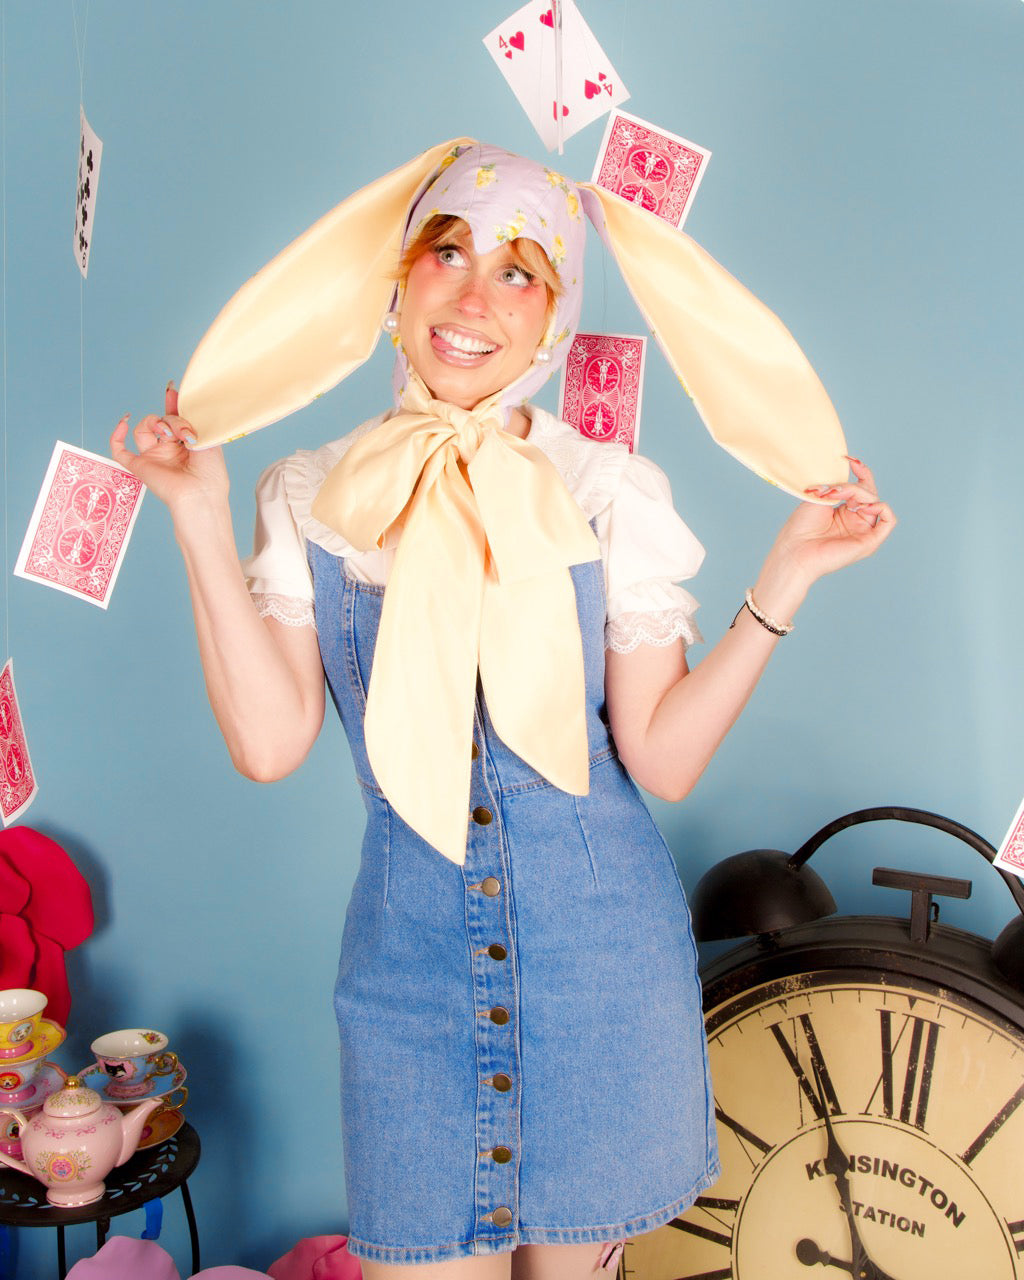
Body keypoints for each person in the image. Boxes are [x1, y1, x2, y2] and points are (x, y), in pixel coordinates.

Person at [111, 142, 895, 1280]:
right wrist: (196, 515)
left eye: (520, 271)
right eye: (448, 253)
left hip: (601, 972)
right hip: (409, 976)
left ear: (555, 319)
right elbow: (269, 743)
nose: (476, 297)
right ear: (398, 280)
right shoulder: (309, 492)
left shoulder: (607, 490)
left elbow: (663, 759)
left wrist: (787, 577)